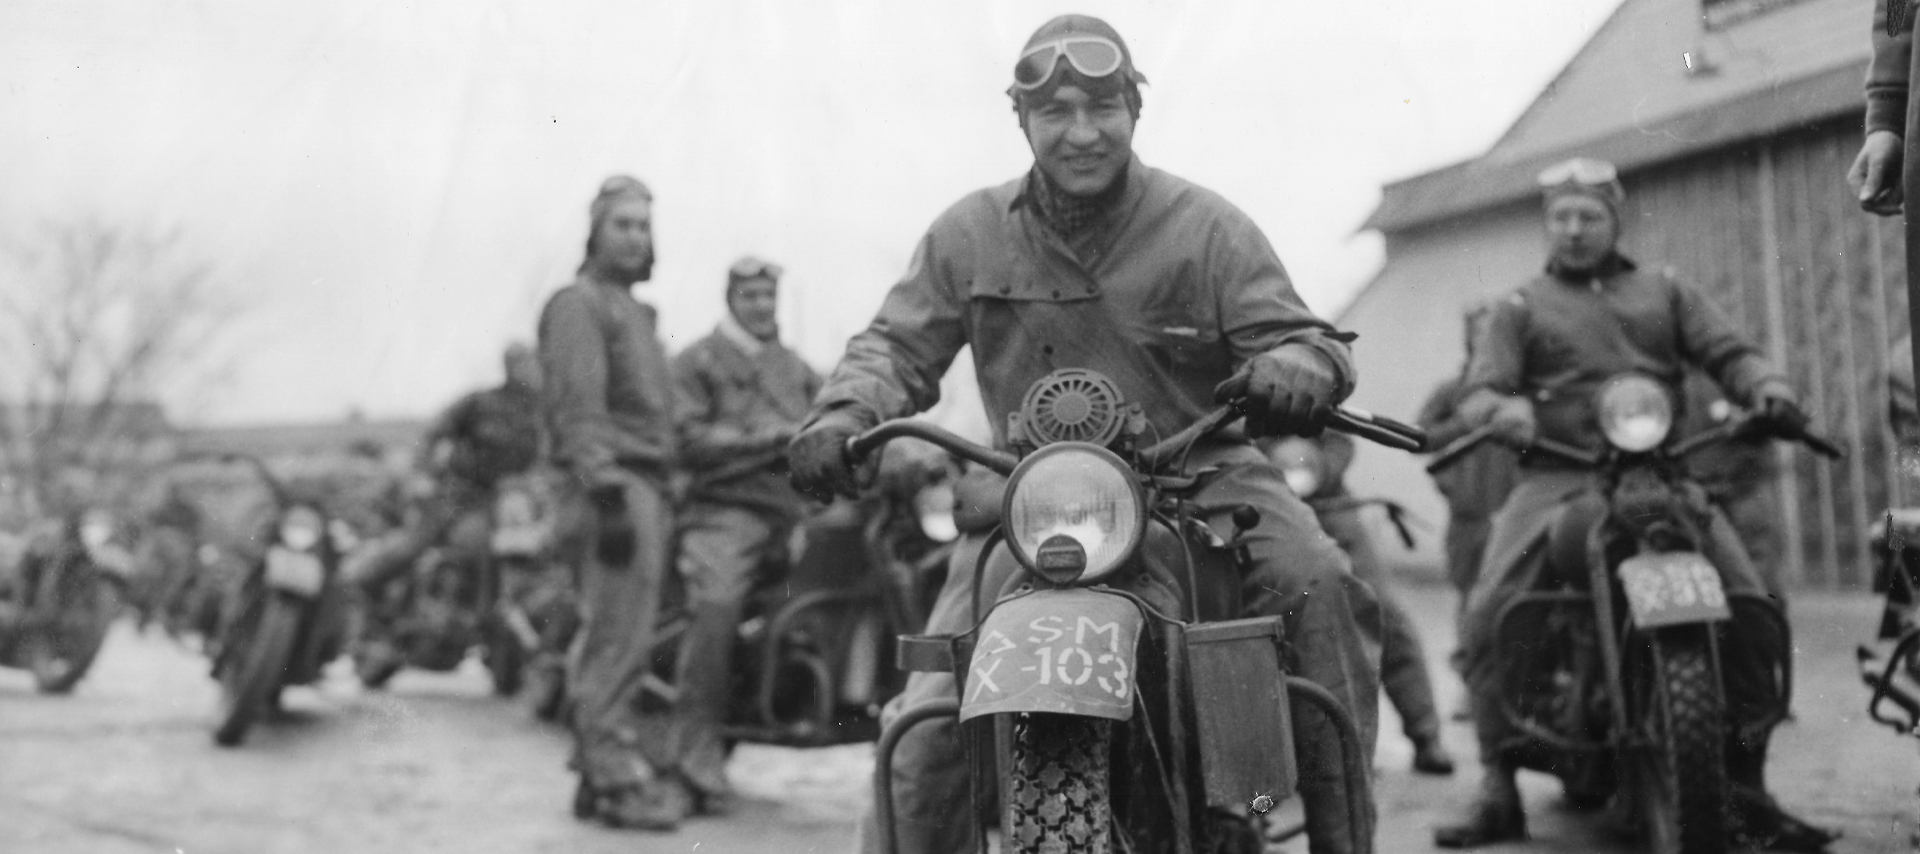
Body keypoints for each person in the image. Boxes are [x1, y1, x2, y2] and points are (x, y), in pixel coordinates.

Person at [787, 16, 1381, 854]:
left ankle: (1344, 838)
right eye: (1055, 111)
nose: (1081, 132)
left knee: (1317, 582)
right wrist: (845, 412)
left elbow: (1301, 335)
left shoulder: (1206, 227)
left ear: (1135, 109)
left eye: (1102, 107)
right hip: (1029, 495)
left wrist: (1300, 366)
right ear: (1021, 120)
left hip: (1198, 477)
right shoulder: (969, 232)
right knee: (925, 720)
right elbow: (893, 344)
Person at [1433, 157, 1833, 851]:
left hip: (1661, 473)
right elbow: (1479, 389)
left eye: (1589, 215)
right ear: (1547, 226)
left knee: (1750, 603)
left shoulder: (1665, 290)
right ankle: (1498, 784)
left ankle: (1748, 788)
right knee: (1490, 612)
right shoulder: (1520, 305)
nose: (1575, 229)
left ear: (1614, 220)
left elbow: (1730, 351)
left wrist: (1768, 387)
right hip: (1559, 475)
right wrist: (1503, 408)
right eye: (1561, 217)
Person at [537, 175, 686, 830]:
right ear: (594, 231)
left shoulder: (635, 314)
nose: (635, 237)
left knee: (626, 638)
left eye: (644, 226)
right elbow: (580, 409)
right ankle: (615, 779)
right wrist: (606, 492)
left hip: (642, 484)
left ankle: (598, 777)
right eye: (622, 224)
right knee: (615, 640)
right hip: (613, 488)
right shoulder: (579, 304)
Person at [666, 255, 822, 808]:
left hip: (793, 511)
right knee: (717, 605)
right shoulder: (696, 361)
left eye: (767, 297)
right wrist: (766, 436)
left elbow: (833, 411)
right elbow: (685, 437)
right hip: (723, 510)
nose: (761, 306)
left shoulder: (794, 365)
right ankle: (694, 758)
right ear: (730, 299)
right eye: (750, 296)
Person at [1268, 432, 1455, 775]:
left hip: (1330, 507)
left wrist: (1315, 467)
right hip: (1265, 509)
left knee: (1382, 616)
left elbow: (1340, 438)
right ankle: (1285, 755)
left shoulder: (1312, 389)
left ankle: (1425, 734)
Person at [348, 343, 543, 620]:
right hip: (461, 494)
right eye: (522, 364)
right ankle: (363, 585)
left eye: (532, 364)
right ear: (509, 368)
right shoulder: (481, 402)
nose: (530, 371)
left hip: (516, 502)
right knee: (424, 543)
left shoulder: (544, 413)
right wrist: (422, 473)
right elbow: (433, 433)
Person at [1415, 306, 1520, 612]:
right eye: (1480, 333)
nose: (1488, 341)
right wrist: (1463, 424)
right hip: (1468, 519)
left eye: (1495, 333)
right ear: (1469, 339)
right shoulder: (1452, 392)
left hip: (1513, 513)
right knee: (1471, 604)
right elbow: (1418, 438)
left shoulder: (1521, 392)